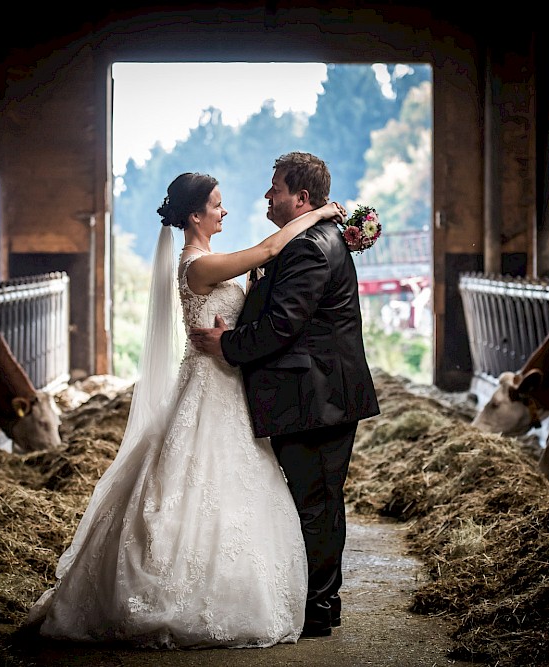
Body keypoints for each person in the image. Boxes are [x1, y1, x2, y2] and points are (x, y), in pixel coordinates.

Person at [26, 172, 347, 648]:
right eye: (217, 205)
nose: (224, 211)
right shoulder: (197, 266)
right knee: (190, 482)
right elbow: (266, 250)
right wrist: (320, 215)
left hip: (227, 383)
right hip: (208, 384)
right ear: (195, 215)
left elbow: (257, 272)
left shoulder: (209, 262)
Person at [188, 152, 381, 638]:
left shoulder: (309, 247)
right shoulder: (309, 240)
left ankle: (317, 609)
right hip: (318, 395)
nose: (266, 196)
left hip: (315, 398)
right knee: (319, 500)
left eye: (274, 188)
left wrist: (227, 344)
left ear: (302, 198)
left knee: (314, 503)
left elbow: (282, 325)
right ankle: (323, 603)